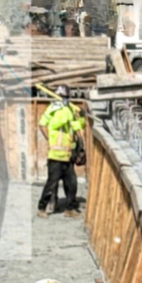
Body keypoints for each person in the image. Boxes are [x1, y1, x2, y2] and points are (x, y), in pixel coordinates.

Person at [37, 86, 84, 219]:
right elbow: (48, 124)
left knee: (72, 184)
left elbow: (76, 126)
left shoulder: (68, 110)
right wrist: (49, 140)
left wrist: (81, 117)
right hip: (56, 156)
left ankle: (69, 208)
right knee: (51, 184)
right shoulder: (55, 110)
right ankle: (42, 208)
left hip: (68, 155)